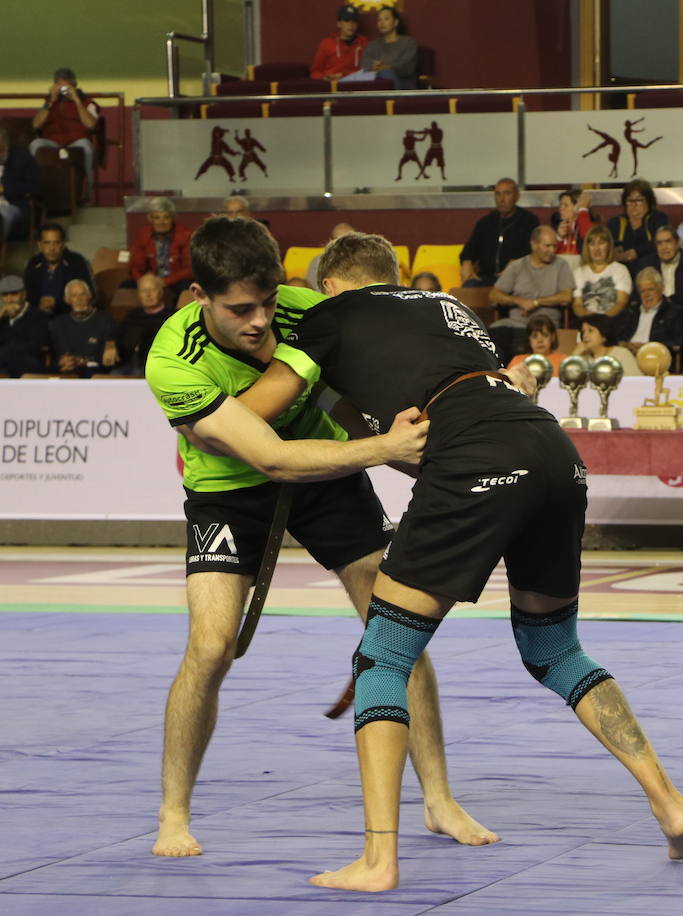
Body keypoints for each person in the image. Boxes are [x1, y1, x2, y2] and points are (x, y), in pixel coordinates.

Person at [232, 231, 683, 890]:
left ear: (332, 286)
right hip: (552, 453)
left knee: (383, 655)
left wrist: (203, 414)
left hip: (477, 461)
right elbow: (374, 405)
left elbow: (253, 414)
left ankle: (378, 859)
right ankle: (672, 806)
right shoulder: (448, 310)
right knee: (555, 650)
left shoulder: (329, 316)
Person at [143, 218, 495, 860]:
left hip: (328, 472)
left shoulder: (309, 311)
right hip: (230, 488)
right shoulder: (172, 360)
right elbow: (270, 458)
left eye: (269, 302)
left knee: (396, 627)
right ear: (200, 297)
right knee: (212, 644)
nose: (260, 321)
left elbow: (370, 380)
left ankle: (439, 798)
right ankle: (173, 813)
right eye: (241, 309)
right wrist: (384, 448)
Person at [489, 225, 574, 356]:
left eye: (554, 246)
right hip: (516, 323)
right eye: (547, 246)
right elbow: (494, 295)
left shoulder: (561, 265)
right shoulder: (517, 265)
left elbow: (566, 296)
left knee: (522, 342)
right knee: (494, 334)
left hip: (545, 324)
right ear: (534, 245)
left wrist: (536, 302)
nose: (552, 250)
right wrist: (518, 301)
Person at [30, 67, 101, 196]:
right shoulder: (49, 102)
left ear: (74, 86)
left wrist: (77, 101)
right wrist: (51, 101)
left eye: (66, 88)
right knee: (35, 145)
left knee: (86, 146)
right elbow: (36, 124)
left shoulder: (87, 102)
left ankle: (87, 192)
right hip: (52, 142)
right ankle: (36, 191)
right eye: (59, 87)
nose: (63, 91)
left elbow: (91, 125)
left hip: (76, 142)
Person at [460, 177, 540, 287]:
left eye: (507, 193)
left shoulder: (529, 220)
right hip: (486, 278)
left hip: (516, 278)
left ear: (517, 196)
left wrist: (515, 263)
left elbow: (532, 251)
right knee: (468, 288)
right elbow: (469, 249)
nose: (501, 199)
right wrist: (466, 262)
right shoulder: (485, 222)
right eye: (498, 194)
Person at [0, 275, 49, 376]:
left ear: (24, 294)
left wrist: (5, 353)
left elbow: (35, 347)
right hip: (3, 364)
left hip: (29, 363)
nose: (9, 300)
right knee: (2, 372)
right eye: (5, 295)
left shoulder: (38, 315)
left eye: (14, 294)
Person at [47, 279, 116, 376]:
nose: (79, 299)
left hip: (94, 375)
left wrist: (80, 361)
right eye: (74, 296)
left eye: (82, 294)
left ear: (89, 296)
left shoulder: (106, 320)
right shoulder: (57, 323)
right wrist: (61, 361)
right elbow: (52, 355)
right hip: (64, 374)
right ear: (66, 300)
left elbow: (107, 359)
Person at [23, 223, 94, 316]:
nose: (52, 248)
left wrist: (57, 303)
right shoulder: (33, 263)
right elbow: (26, 297)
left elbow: (90, 295)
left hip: (69, 318)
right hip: (38, 317)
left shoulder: (76, 262)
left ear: (63, 244)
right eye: (47, 243)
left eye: (56, 242)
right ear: (40, 245)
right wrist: (39, 304)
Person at [618, 267, 683, 357]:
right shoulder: (631, 311)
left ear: (662, 288)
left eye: (651, 289)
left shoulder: (675, 312)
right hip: (628, 355)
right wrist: (626, 345)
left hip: (655, 357)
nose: (647, 295)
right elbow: (617, 338)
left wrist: (648, 347)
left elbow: (678, 343)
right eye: (643, 291)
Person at [130, 197, 194, 296]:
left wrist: (165, 281)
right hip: (151, 280)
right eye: (157, 217)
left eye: (166, 217)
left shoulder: (185, 234)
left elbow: (189, 269)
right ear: (150, 219)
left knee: (185, 286)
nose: (161, 222)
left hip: (176, 280)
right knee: (126, 286)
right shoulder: (143, 234)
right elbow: (136, 267)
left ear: (172, 218)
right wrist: (144, 281)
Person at [113, 273, 174, 375]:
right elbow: (119, 339)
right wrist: (110, 345)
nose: (148, 294)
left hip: (158, 366)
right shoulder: (131, 316)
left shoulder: (172, 316)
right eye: (144, 291)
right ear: (138, 295)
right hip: (128, 364)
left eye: (152, 290)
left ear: (160, 292)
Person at [637, 225, 683, 309]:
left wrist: (673, 300)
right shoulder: (645, 264)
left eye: (668, 241)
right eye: (659, 243)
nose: (664, 247)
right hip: (654, 311)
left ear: (678, 243)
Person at [571, 225, 632, 319]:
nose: (597, 248)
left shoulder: (620, 270)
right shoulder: (578, 273)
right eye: (592, 244)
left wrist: (603, 321)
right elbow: (577, 305)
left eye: (601, 243)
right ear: (587, 247)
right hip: (587, 323)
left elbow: (621, 302)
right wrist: (591, 320)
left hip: (613, 322)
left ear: (609, 246)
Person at [608, 180, 666, 266]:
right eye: (630, 200)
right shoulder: (615, 223)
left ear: (648, 202)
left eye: (639, 200)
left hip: (652, 267)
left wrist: (637, 252)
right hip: (622, 269)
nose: (634, 205)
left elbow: (661, 243)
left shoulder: (659, 219)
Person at [360, 5, 418, 89]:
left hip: (403, 86)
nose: (382, 23)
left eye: (386, 19)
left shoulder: (408, 42)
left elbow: (408, 67)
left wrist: (387, 67)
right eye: (379, 20)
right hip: (377, 85)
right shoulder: (373, 45)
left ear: (395, 22)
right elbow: (364, 64)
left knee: (387, 73)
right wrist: (372, 65)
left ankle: (395, 100)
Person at [570, 312, 640, 377]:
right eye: (583, 332)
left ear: (604, 335)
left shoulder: (622, 354)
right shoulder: (583, 359)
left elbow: (637, 383)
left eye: (590, 330)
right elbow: (567, 382)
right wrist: (575, 355)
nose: (585, 335)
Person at [311, 5, 368, 81]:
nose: (351, 24)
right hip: (332, 86)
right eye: (346, 20)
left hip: (355, 86)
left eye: (354, 21)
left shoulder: (364, 43)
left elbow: (369, 71)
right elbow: (315, 73)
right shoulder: (326, 43)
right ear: (339, 23)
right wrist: (325, 78)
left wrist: (344, 76)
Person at [306, 222, 356, 290]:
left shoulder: (366, 261)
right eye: (336, 239)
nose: (341, 244)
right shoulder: (318, 262)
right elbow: (311, 289)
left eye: (345, 239)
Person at [552, 188, 594, 256]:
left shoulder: (589, 223)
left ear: (577, 207)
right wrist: (559, 238)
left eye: (566, 205)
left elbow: (588, 238)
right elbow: (550, 255)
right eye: (560, 205)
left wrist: (583, 210)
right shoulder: (558, 225)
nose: (561, 208)